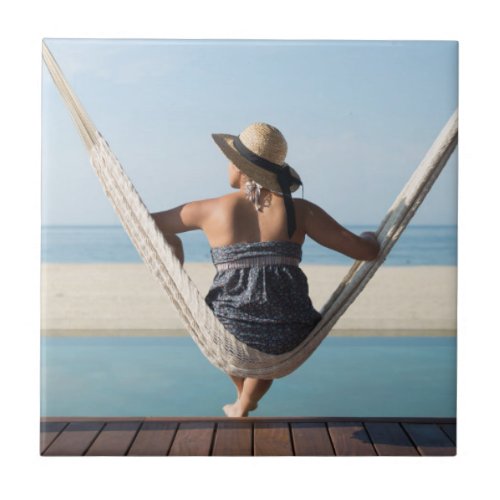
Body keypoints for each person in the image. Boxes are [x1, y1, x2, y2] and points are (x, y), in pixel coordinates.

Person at [151, 122, 380, 417]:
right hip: (287, 330)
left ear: (239, 166)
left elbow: (145, 224)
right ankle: (244, 402)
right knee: (267, 353)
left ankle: (242, 403)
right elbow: (365, 252)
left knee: (234, 347)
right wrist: (370, 237)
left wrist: (175, 250)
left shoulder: (210, 209)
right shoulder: (302, 211)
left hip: (229, 326)